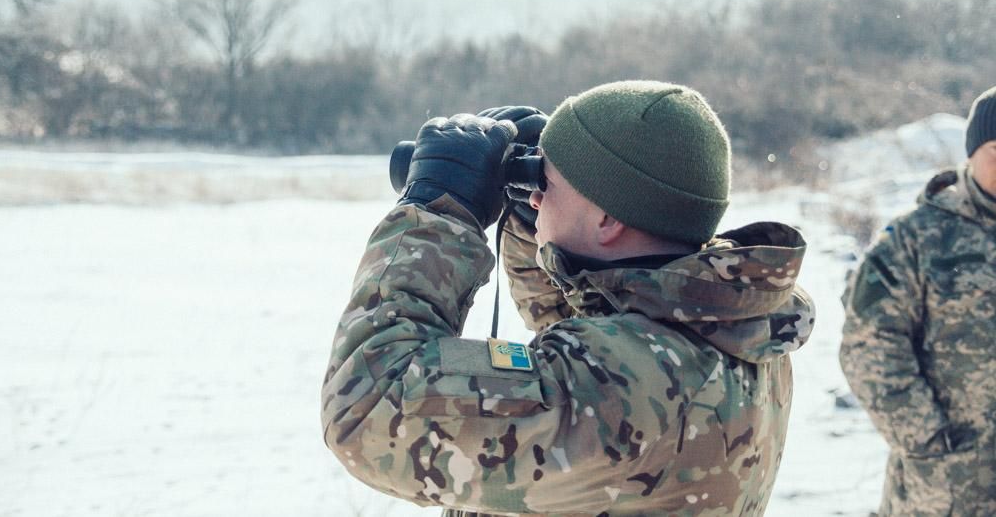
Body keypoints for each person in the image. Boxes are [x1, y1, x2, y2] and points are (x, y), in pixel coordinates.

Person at [322, 80, 815, 515]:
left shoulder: (618, 384)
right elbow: (586, 327)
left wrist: (438, 211)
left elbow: (369, 406)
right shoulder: (725, 324)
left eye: (546, 185)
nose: (536, 196)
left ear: (608, 220)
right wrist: (530, 224)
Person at [839, 85, 996, 516]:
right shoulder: (917, 238)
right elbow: (868, 343)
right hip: (948, 486)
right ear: (971, 152)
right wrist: (927, 439)